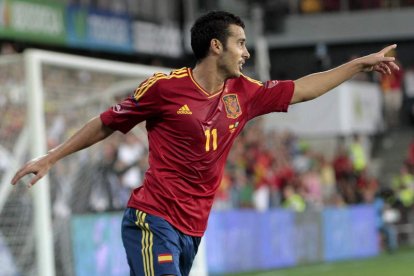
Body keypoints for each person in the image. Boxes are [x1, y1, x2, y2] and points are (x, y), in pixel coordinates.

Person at [11, 10, 399, 276]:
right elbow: (107, 123)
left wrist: (357, 65)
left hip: (193, 229)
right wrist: (51, 156)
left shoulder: (245, 93)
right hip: (152, 219)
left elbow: (302, 90)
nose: (246, 52)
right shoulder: (164, 88)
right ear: (216, 46)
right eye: (241, 43)